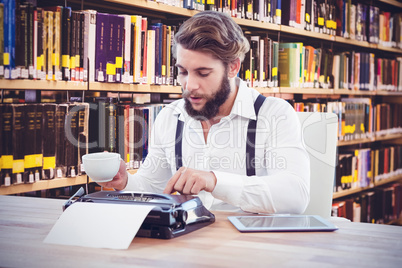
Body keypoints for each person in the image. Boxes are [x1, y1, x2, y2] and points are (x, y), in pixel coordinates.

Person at [100, 11, 310, 214]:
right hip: (191, 241)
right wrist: (125, 181)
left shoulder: (276, 114)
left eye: (203, 73)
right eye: (183, 72)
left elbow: (295, 196)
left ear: (233, 67)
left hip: (252, 244)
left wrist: (215, 181)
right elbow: (153, 187)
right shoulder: (169, 117)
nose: (189, 85)